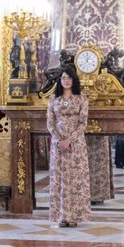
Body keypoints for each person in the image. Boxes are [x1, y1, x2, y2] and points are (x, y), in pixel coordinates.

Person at [47, 64, 91, 227]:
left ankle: (74, 217)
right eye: (63, 78)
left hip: (76, 144)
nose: (66, 80)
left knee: (75, 180)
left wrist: (69, 140)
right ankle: (61, 217)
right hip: (57, 145)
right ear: (59, 80)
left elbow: (83, 123)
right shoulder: (53, 99)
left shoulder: (82, 98)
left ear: (74, 80)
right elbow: (50, 123)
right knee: (59, 179)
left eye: (69, 77)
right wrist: (59, 140)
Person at [86, 135, 114, 205]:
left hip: (101, 135)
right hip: (83, 136)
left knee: (100, 165)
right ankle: (86, 194)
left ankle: (99, 195)